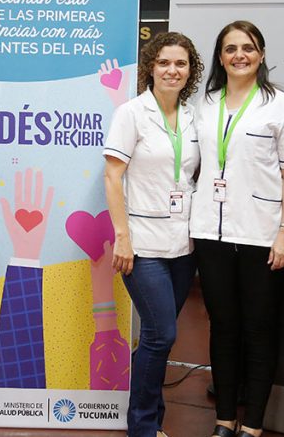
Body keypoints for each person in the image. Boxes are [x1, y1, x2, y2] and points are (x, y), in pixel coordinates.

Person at [191, 21, 284, 437]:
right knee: (222, 327)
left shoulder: (281, 106)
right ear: (220, 57)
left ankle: (252, 424)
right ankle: (224, 420)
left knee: (258, 330)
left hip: (262, 233)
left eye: (248, 47)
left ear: (261, 54)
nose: (240, 55)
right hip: (210, 232)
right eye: (231, 48)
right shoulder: (205, 103)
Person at [103, 32, 204, 437]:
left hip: (184, 244)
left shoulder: (194, 117)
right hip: (142, 244)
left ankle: (152, 417)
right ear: (150, 67)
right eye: (164, 62)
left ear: (190, 71)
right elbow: (112, 177)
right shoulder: (131, 113)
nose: (171, 70)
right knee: (162, 334)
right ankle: (142, 426)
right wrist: (122, 237)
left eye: (180, 63)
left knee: (157, 337)